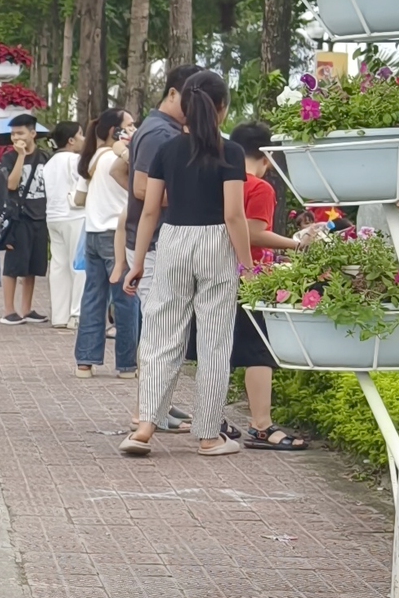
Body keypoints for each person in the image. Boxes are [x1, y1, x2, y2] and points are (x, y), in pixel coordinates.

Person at [121, 68, 252, 456]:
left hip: (173, 239)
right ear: (222, 109)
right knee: (214, 341)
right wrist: (247, 264)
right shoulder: (231, 152)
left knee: (162, 334)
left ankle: (144, 427)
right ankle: (209, 436)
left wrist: (138, 260)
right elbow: (233, 215)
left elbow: (148, 212)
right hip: (215, 242)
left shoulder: (167, 150)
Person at [227, 121, 315, 448]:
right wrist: (297, 244)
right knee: (260, 352)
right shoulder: (259, 188)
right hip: (248, 276)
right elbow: (252, 232)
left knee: (216, 349)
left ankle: (212, 417)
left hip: (216, 272)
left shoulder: (223, 181)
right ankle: (261, 424)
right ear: (267, 155)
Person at [75, 110, 141, 377]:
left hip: (92, 233)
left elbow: (79, 199)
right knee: (126, 300)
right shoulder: (119, 156)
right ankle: (126, 365)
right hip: (117, 234)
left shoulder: (91, 159)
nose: (134, 129)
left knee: (93, 298)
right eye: (130, 125)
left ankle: (85, 362)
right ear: (116, 130)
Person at [0, 114, 49, 322]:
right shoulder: (9, 158)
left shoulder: (45, 157)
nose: (15, 137)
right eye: (13, 133)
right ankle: (9, 310)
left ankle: (27, 309)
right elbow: (11, 184)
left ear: (33, 133)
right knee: (13, 266)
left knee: (33, 267)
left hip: (40, 216)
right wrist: (20, 156)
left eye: (20, 133)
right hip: (19, 217)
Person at [42, 121, 87, 329]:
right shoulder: (75, 160)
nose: (83, 138)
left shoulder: (50, 162)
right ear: (71, 140)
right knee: (78, 266)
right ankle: (76, 314)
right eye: (80, 134)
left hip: (53, 217)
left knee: (59, 266)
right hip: (75, 216)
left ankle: (59, 315)